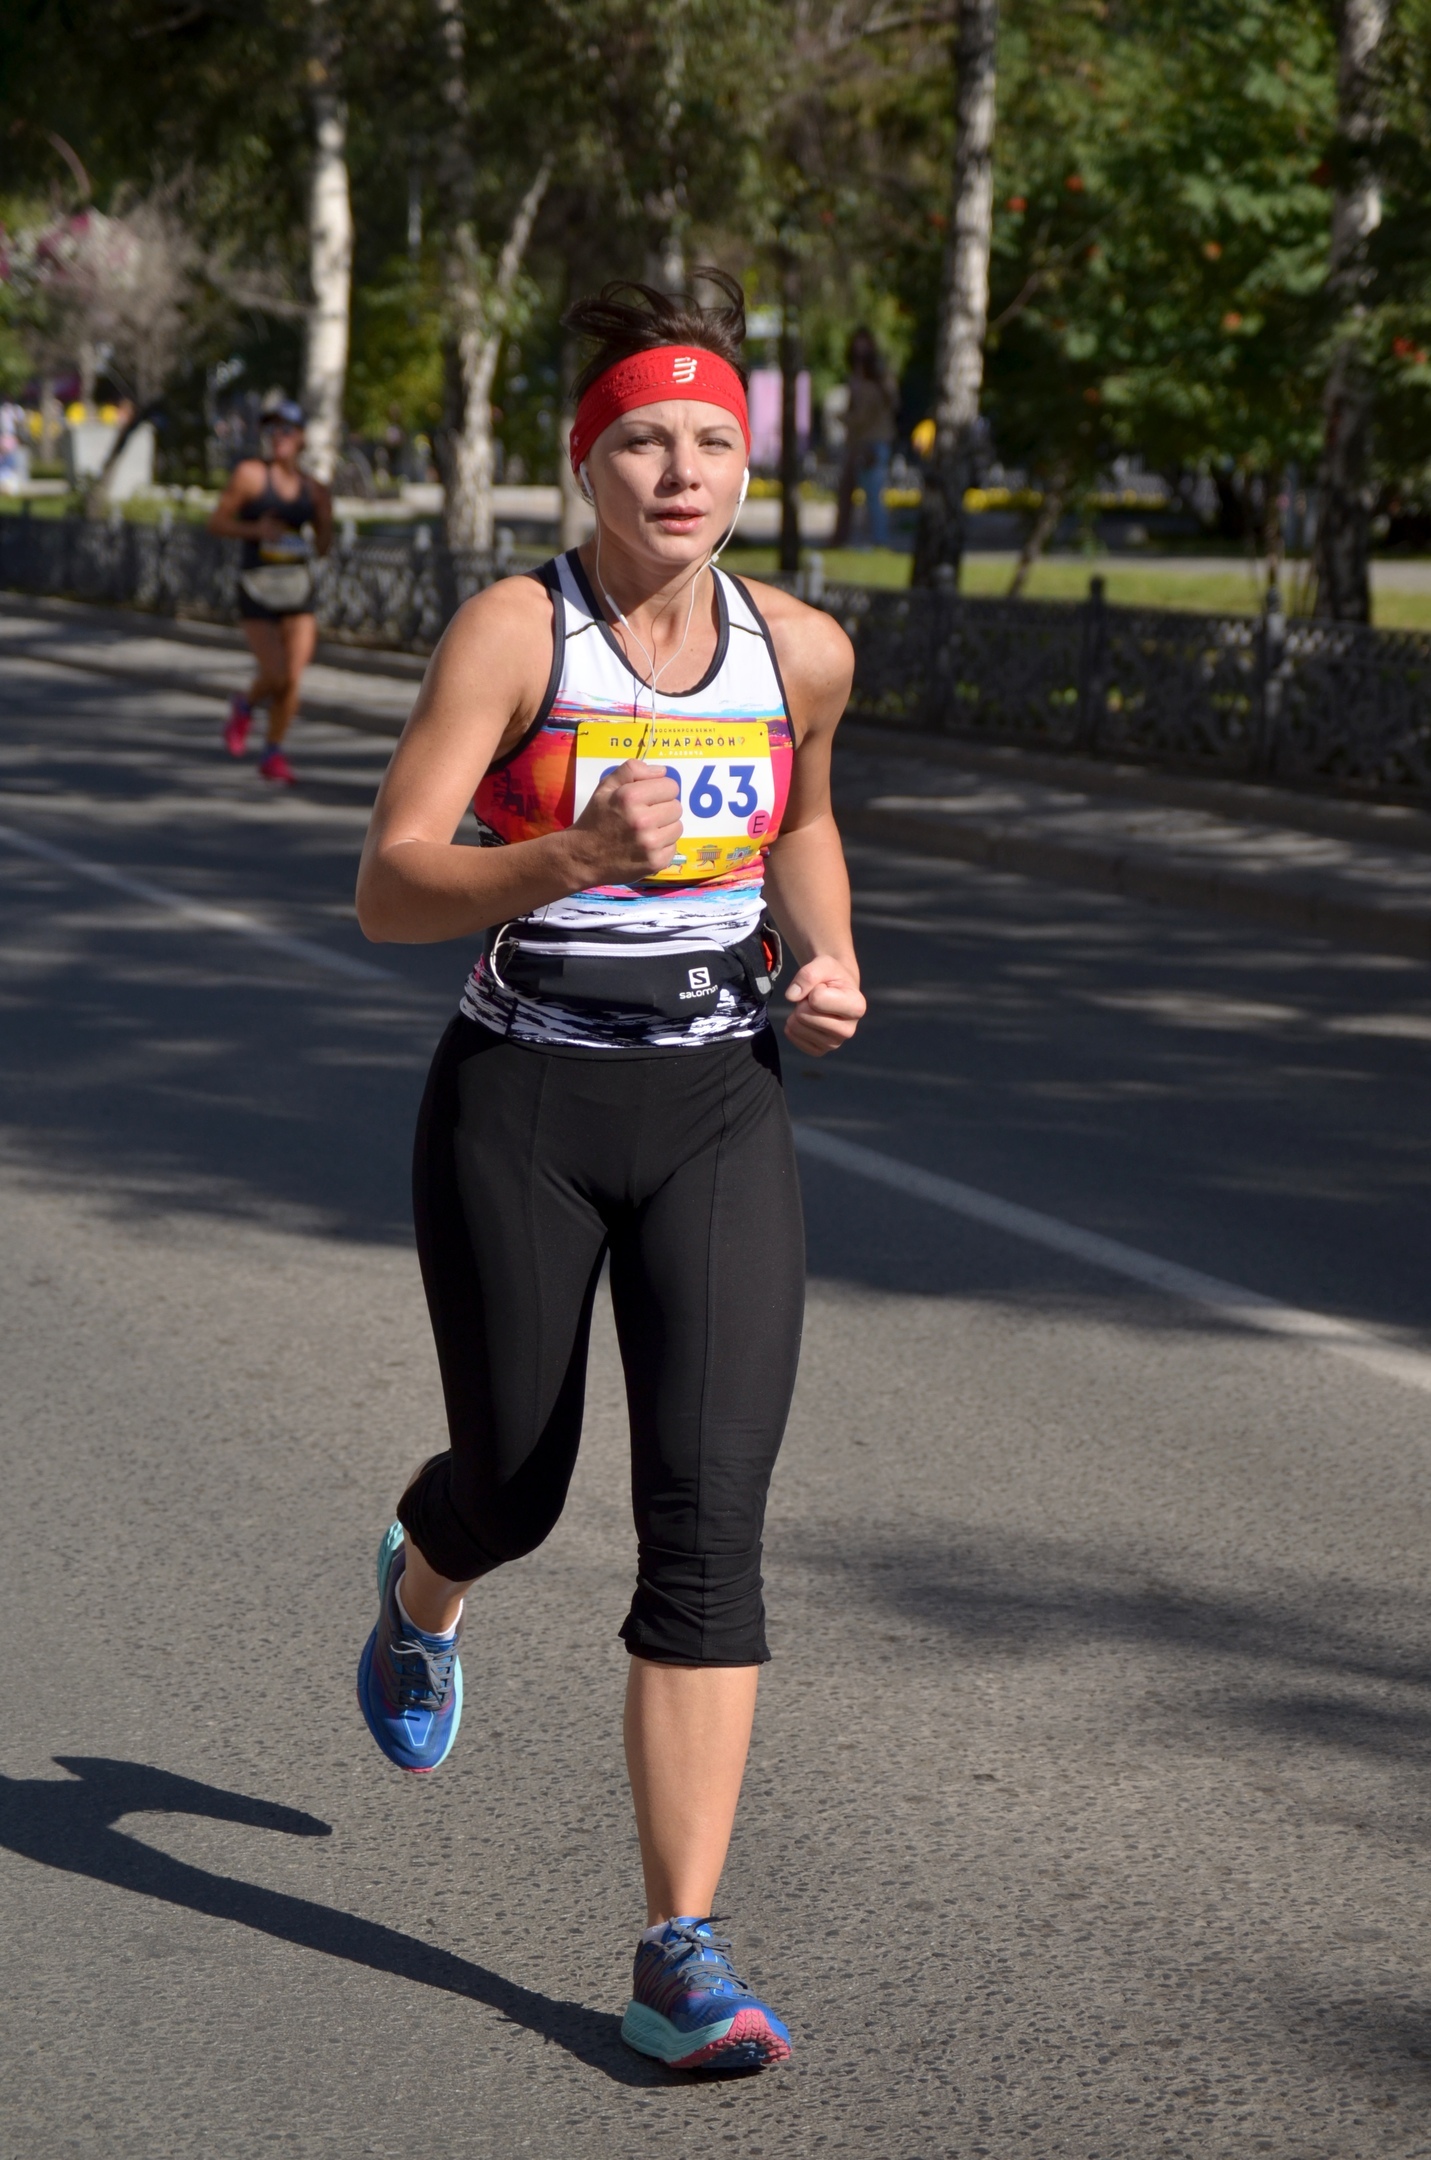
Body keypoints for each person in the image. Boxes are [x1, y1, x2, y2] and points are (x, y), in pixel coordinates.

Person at [352, 269, 865, 2074]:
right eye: (643, 439)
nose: (682, 470)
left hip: (719, 1109)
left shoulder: (798, 650)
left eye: (715, 441)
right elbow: (393, 883)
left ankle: (678, 1954)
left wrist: (829, 960)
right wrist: (563, 854)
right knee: (519, 1483)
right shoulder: (517, 632)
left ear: (749, 465)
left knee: (709, 1530)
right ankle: (428, 1573)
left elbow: (799, 816)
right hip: (524, 1109)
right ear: (586, 462)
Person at [207, 398, 332, 784]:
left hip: (296, 587)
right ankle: (244, 705)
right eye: (272, 430)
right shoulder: (250, 475)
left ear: (301, 439)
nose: (277, 437)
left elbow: (324, 544)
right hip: (257, 586)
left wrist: (323, 522)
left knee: (293, 676)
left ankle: (274, 750)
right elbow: (217, 522)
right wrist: (256, 531)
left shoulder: (313, 490)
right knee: (275, 673)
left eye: (286, 430)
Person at [832, 327, 899, 550]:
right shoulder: (857, 376)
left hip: (873, 443)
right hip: (857, 443)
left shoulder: (877, 378)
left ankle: (880, 541)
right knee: (847, 493)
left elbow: (868, 412)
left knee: (873, 495)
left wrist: (843, 418)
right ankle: (841, 539)